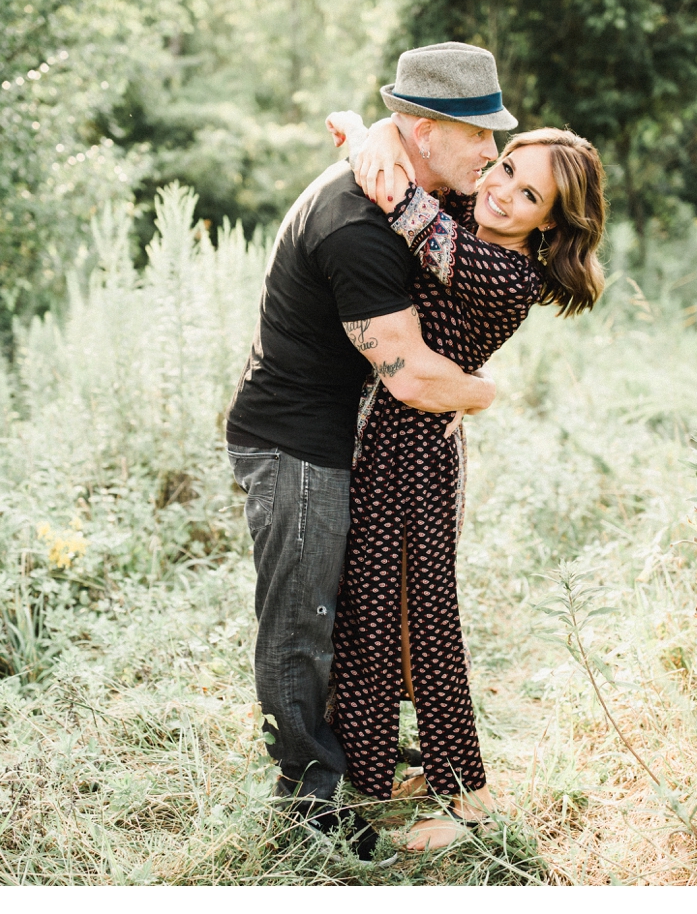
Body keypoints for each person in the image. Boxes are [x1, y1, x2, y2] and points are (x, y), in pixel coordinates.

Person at [224, 42, 512, 863]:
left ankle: (357, 762)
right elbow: (417, 377)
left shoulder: (408, 188)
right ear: (421, 130)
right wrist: (486, 390)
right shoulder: (359, 225)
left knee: (354, 612)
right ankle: (306, 806)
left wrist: (365, 132)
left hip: (342, 440)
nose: (490, 153)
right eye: (477, 135)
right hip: (295, 445)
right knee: (301, 621)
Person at [323, 102, 607, 851]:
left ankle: (466, 800)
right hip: (390, 441)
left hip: (415, 454)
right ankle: (379, 774)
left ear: (547, 223)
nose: (503, 188)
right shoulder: (467, 213)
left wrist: (360, 129)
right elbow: (408, 164)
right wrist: (381, 132)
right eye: (507, 166)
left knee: (420, 617)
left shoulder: (502, 271)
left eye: (528, 195)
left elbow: (404, 203)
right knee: (376, 609)